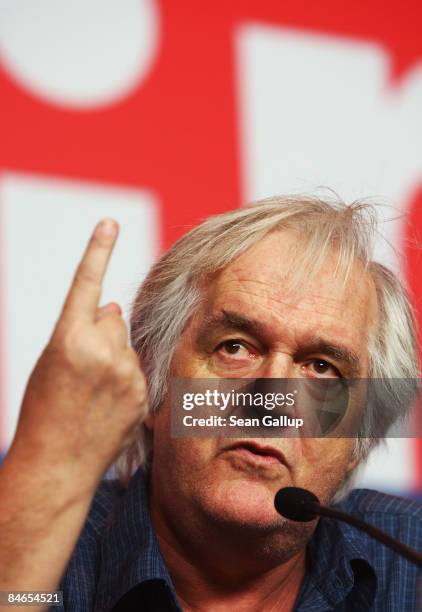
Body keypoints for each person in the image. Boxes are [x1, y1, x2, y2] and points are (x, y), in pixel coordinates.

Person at [0, 196, 421, 612]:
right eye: (235, 348)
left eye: (323, 369)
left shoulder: (409, 559)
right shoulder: (48, 552)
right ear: (151, 384)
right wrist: (48, 458)